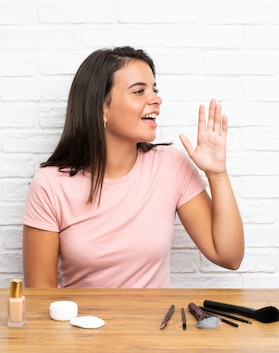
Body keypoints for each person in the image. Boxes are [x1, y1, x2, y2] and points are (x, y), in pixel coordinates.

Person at [22, 46, 244, 288]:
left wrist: (217, 173)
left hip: (154, 324)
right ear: (101, 107)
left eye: (154, 90)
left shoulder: (171, 166)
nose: (156, 99)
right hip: (81, 324)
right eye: (139, 91)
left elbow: (228, 256)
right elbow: (39, 297)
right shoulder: (50, 185)